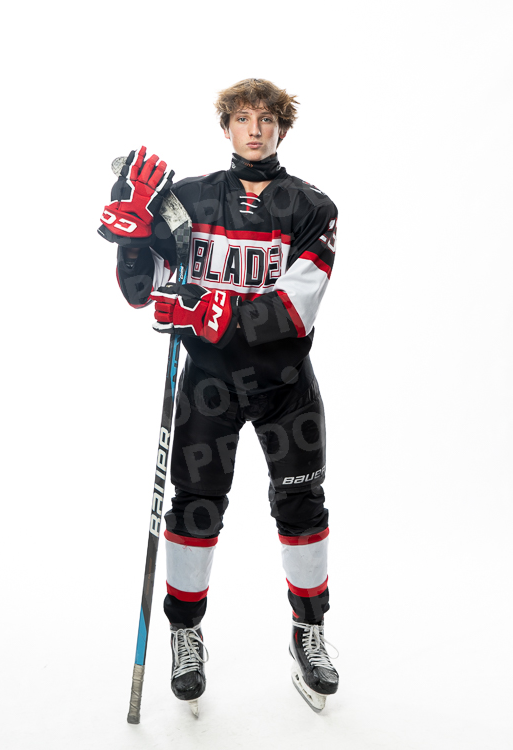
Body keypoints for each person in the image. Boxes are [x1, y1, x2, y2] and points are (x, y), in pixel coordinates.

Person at [99, 78, 339, 714]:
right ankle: (186, 634)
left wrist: (212, 312)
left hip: (286, 388)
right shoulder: (188, 200)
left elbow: (297, 306)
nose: (254, 130)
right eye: (242, 118)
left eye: (266, 119)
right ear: (226, 126)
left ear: (282, 128)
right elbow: (144, 290)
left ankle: (309, 630)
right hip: (209, 384)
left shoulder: (314, 207)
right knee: (196, 508)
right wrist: (132, 240)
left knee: (302, 506)